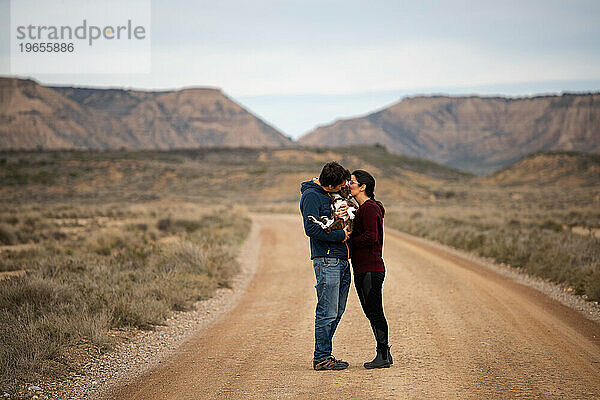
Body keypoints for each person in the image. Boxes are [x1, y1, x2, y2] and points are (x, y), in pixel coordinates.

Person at [300, 161, 352, 371]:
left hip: (341, 258)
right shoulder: (312, 196)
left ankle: (324, 352)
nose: (342, 188)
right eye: (339, 186)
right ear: (329, 186)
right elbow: (311, 229)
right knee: (327, 311)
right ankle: (321, 357)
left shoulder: (331, 193)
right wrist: (340, 236)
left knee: (337, 311)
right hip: (327, 259)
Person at [348, 169, 393, 369]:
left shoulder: (369, 208)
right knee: (371, 311)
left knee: (374, 311)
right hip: (364, 268)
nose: (349, 185)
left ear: (363, 187)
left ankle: (382, 354)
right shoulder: (362, 209)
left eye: (352, 182)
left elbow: (371, 237)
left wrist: (349, 240)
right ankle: (384, 354)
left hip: (370, 268)